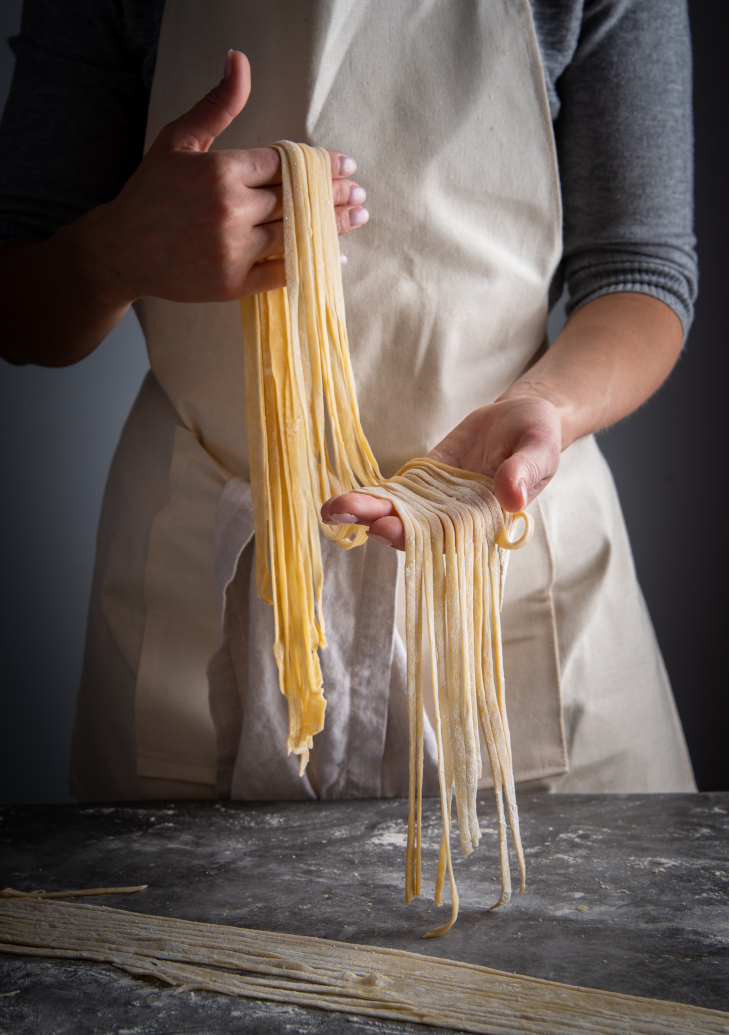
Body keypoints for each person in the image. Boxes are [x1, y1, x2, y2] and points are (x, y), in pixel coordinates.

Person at [0, 0, 697, 801]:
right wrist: (112, 254)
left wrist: (549, 406)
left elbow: (640, 272)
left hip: (499, 565)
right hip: (206, 588)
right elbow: (20, 304)